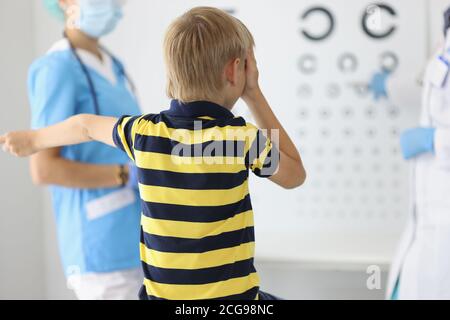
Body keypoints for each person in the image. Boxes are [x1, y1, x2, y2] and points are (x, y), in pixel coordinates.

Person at [1, 7, 306, 300]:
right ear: (234, 70)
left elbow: (83, 127)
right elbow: (294, 175)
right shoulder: (240, 139)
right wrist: (254, 93)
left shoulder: (145, 134)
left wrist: (34, 139)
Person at [28, 0, 143, 299]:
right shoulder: (55, 68)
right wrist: (126, 175)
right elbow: (44, 168)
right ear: (66, 3)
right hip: (98, 246)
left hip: (136, 238)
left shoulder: (112, 64)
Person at [387, 6, 450, 300]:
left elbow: (290, 173)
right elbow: (426, 82)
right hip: (427, 222)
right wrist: (388, 86)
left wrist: (436, 141)